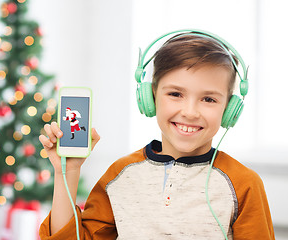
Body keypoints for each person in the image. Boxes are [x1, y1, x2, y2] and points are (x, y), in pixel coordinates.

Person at [38, 31, 275, 239]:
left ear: (229, 110)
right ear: (150, 97)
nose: (190, 112)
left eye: (209, 99)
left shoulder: (244, 185)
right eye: (175, 94)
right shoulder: (120, 175)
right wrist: (66, 173)